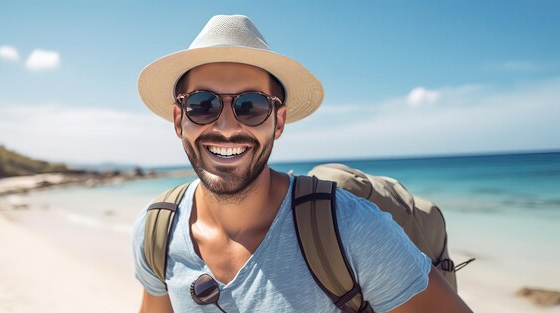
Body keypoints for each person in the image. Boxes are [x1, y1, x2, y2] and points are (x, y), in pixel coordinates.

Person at [132, 14, 473, 313]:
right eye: (202, 104)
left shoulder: (352, 230)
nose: (226, 127)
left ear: (278, 122)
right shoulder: (156, 232)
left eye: (251, 106)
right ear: (179, 120)